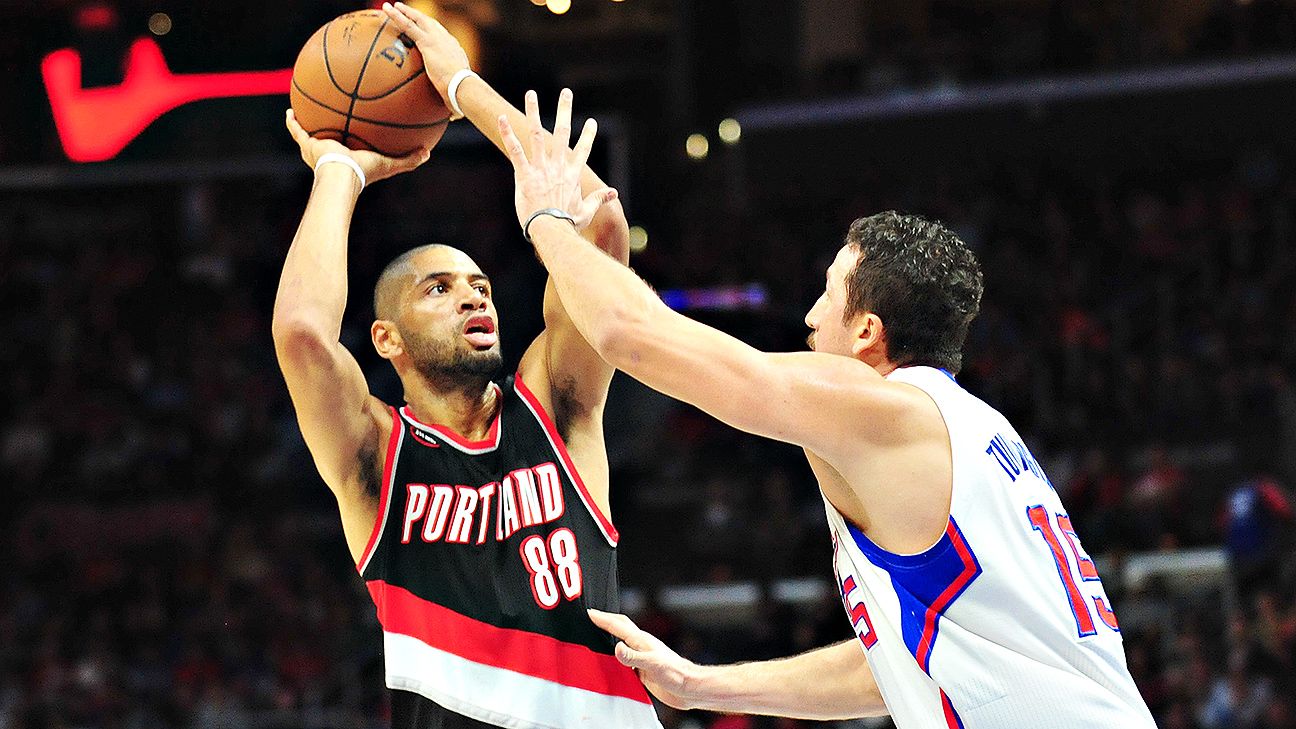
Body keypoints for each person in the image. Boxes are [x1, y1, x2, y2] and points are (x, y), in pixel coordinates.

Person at [488, 84, 1159, 726]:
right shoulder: (975, 431)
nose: (810, 317)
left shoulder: (886, 410)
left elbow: (631, 335)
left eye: (829, 294)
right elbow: (898, 666)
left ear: (868, 330)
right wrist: (701, 684)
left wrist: (546, 220)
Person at [272, 12, 660, 727]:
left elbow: (601, 229)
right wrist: (339, 168)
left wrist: (462, 88)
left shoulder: (555, 405)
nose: (472, 293)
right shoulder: (376, 456)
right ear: (384, 339)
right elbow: (300, 331)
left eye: (479, 283)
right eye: (439, 288)